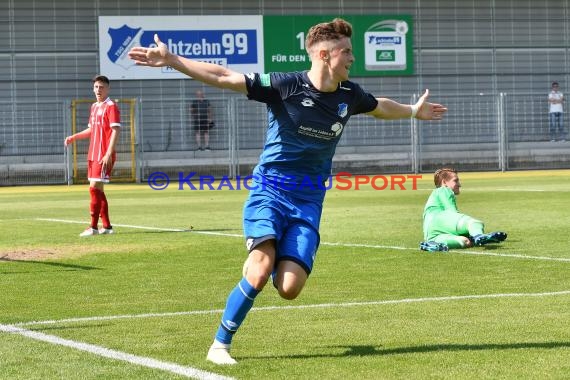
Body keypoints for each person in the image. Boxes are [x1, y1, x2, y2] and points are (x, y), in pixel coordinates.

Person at [128, 18, 447, 365]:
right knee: (261, 269)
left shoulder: (349, 95)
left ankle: (274, 251)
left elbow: (380, 106)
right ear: (324, 55)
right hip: (270, 190)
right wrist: (174, 61)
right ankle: (220, 344)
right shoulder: (286, 85)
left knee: (290, 288)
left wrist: (413, 111)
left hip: (309, 199)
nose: (352, 58)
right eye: (347, 52)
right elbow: (224, 76)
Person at [64, 75, 121, 237]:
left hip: (103, 155)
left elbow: (116, 130)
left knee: (93, 189)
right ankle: (108, 227)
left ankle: (93, 227)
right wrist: (73, 137)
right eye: (96, 87)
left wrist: (109, 153)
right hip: (93, 154)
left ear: (107, 89)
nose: (98, 90)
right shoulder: (94, 107)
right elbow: (91, 130)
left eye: (101, 87)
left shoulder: (111, 106)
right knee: (98, 190)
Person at [420, 168, 507, 252]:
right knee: (474, 223)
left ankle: (431, 245)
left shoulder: (435, 194)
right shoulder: (444, 190)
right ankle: (478, 236)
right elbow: (452, 212)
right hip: (438, 219)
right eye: (455, 180)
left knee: (465, 241)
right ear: (444, 182)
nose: (459, 184)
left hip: (431, 234)